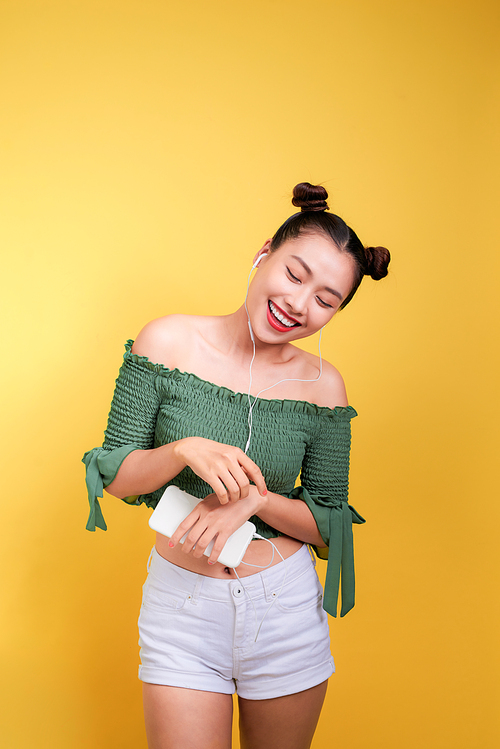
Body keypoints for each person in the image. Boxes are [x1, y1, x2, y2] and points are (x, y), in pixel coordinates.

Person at [83, 182, 390, 749]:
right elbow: (114, 475)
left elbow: (330, 528)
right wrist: (183, 450)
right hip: (183, 608)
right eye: (295, 274)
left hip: (284, 608)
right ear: (263, 253)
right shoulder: (168, 341)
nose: (300, 304)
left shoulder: (325, 388)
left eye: (326, 299)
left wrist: (259, 499)